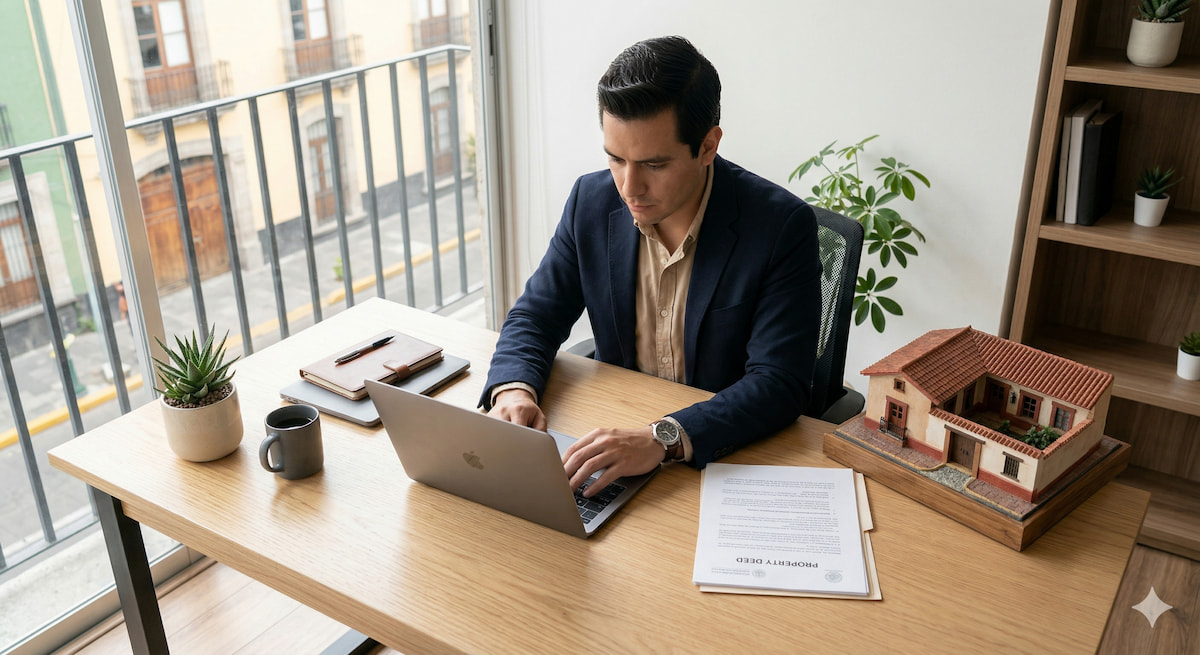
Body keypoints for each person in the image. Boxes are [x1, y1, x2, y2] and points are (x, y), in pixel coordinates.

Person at [480, 36, 821, 496]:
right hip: (612, 435)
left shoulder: (780, 227)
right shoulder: (590, 203)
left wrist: (663, 438)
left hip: (721, 463)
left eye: (654, 165)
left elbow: (779, 382)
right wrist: (513, 390)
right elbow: (535, 316)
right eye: (615, 158)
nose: (629, 187)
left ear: (708, 145)